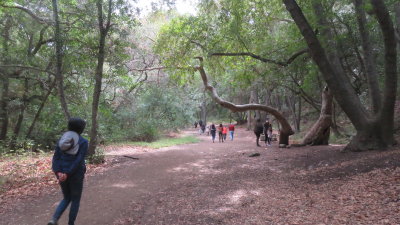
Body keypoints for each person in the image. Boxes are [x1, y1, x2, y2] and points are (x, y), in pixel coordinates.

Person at [48, 118, 88, 225]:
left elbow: (56, 158)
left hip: (61, 175)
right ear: (81, 129)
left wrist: (58, 172)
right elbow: (79, 160)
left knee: (66, 197)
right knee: (75, 199)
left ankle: (54, 219)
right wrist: (68, 173)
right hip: (76, 175)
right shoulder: (83, 142)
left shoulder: (61, 140)